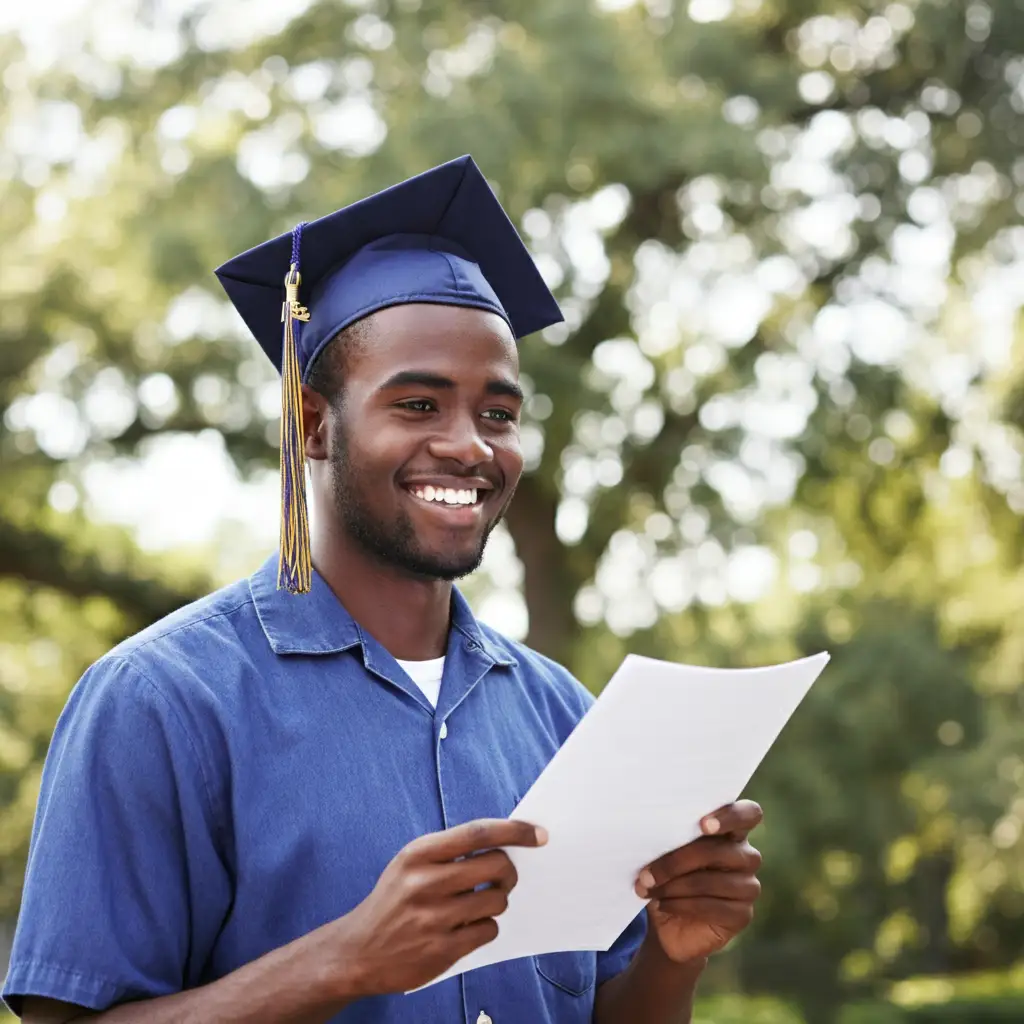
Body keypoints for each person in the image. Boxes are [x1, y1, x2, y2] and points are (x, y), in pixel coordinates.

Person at [3, 156, 765, 1024]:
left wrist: (674, 954)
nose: (471, 445)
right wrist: (341, 961)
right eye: (417, 405)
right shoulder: (162, 703)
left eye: (499, 413)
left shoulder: (564, 717)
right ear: (314, 426)